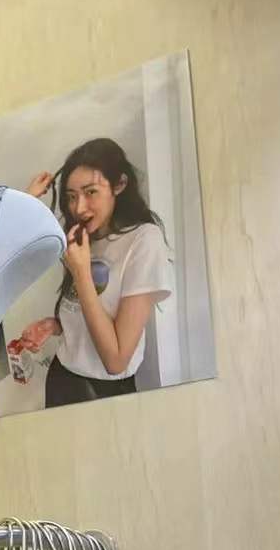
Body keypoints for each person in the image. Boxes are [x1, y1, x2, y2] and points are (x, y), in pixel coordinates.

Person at [21, 138, 174, 407]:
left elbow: (116, 360)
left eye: (91, 192)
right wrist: (57, 325)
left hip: (102, 392)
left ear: (119, 185)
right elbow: (92, 306)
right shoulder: (84, 236)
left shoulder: (144, 240)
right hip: (61, 375)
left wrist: (81, 272)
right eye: (71, 196)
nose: (79, 208)